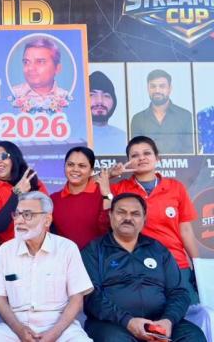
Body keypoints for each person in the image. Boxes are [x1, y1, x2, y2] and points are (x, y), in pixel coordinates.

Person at [81, 193, 206, 342]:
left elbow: (179, 292)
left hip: (159, 321)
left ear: (144, 219)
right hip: (113, 324)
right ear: (110, 215)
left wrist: (168, 320)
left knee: (193, 336)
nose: (128, 218)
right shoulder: (94, 251)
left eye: (135, 214)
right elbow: (91, 296)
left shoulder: (158, 249)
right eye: (121, 212)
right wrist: (128, 321)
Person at [99, 135, 200, 304]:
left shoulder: (175, 188)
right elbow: (106, 221)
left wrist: (198, 265)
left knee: (190, 312)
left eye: (147, 153)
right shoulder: (119, 188)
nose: (141, 158)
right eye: (135, 155)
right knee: (148, 314)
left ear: (157, 158)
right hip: (135, 264)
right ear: (128, 162)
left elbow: (186, 230)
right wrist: (109, 176)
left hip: (176, 262)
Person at [0, 191, 93, 342]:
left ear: (47, 220)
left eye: (27, 215)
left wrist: (54, 333)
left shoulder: (67, 248)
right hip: (17, 325)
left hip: (59, 325)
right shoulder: (5, 250)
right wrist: (19, 330)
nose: (19, 221)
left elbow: (76, 300)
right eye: (17, 214)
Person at [0, 141, 48, 243]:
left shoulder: (33, 182)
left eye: (3, 156)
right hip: (15, 249)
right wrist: (17, 193)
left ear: (15, 158)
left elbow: (48, 216)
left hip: (45, 245)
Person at [50, 147, 109, 250]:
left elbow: (110, 226)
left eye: (82, 166)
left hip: (99, 257)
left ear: (91, 170)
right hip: (66, 257)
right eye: (70, 164)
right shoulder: (53, 199)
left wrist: (107, 195)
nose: (75, 169)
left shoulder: (104, 194)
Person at [130, 69, 194, 154]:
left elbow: (190, 151)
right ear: (147, 89)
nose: (157, 90)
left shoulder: (185, 116)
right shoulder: (138, 119)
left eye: (162, 86)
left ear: (170, 88)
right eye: (153, 86)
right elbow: (135, 151)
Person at [10, 37, 71, 114]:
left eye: (40, 62)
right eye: (26, 62)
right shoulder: (13, 94)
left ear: (57, 68)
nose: (31, 68)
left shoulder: (66, 97)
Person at [89, 71, 127, 154]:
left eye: (106, 95)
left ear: (114, 101)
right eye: (92, 94)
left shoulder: (124, 138)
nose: (99, 101)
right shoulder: (72, 136)